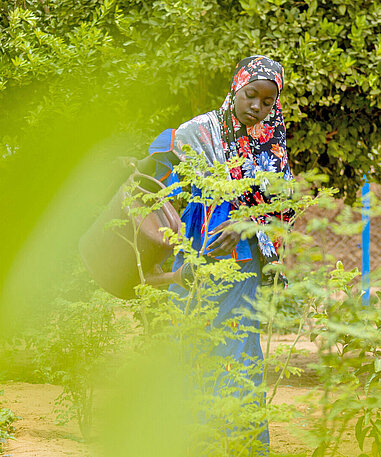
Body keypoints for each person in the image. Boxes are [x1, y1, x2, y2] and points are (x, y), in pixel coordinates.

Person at [137, 55, 292, 452]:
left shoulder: (271, 142)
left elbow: (280, 202)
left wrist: (251, 226)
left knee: (240, 358)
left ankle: (241, 446)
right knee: (190, 347)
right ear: (236, 88)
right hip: (194, 257)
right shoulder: (194, 132)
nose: (256, 106)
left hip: (243, 265)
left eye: (266, 101)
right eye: (250, 95)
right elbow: (156, 185)